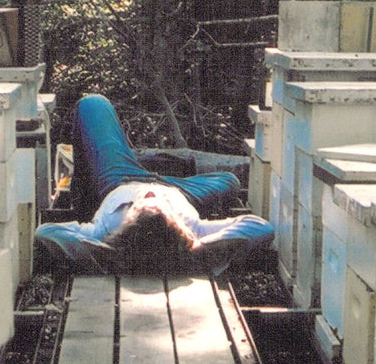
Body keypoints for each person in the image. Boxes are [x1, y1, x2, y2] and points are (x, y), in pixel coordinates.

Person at [34, 94, 274, 276]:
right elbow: (261, 228)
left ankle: (84, 201)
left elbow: (45, 232)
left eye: (141, 206)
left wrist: (102, 250)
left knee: (92, 104)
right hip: (179, 190)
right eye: (156, 204)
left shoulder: (103, 232)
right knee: (229, 181)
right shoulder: (196, 229)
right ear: (178, 225)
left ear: (126, 224)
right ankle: (150, 163)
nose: (150, 195)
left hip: (119, 179)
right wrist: (200, 245)